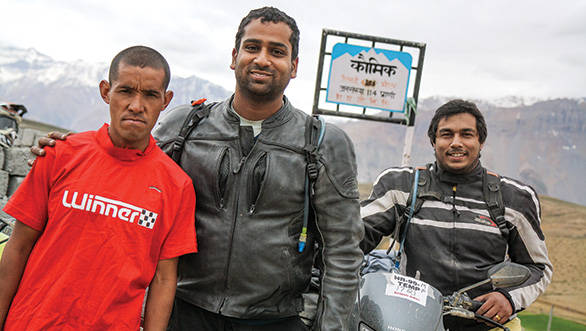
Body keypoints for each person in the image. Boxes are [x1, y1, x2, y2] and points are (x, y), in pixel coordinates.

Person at [32, 7, 363, 331]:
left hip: (274, 319)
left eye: (276, 51)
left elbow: (344, 251)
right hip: (183, 312)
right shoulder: (186, 125)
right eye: (252, 47)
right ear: (234, 57)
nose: (262, 59)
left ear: (293, 66)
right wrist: (68, 150)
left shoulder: (322, 143)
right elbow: (126, 164)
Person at [0, 46, 197, 331]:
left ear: (166, 100)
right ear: (106, 91)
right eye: (126, 91)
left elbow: (165, 280)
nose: (136, 105)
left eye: (150, 95)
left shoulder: (176, 186)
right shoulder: (60, 155)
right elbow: (18, 248)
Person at [360, 99, 552, 331]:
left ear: (481, 141)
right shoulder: (400, 185)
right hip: (409, 320)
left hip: (487, 325)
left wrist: (508, 299)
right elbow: (354, 235)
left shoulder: (515, 198)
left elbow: (537, 268)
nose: (456, 143)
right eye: (446, 134)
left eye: (467, 135)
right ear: (433, 140)